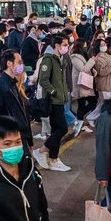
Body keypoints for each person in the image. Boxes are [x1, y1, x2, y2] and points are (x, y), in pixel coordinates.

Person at [35, 34, 74, 171]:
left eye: (67, 45)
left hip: (61, 99)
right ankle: (41, 151)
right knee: (62, 128)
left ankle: (54, 159)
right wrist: (53, 92)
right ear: (56, 46)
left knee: (57, 129)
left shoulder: (61, 59)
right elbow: (43, 79)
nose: (66, 47)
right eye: (64, 45)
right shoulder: (49, 60)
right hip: (53, 101)